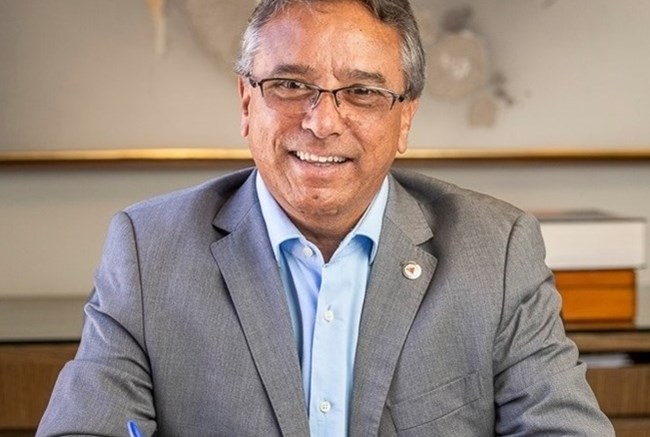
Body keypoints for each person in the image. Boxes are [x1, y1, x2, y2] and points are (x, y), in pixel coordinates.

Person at [37, 0, 614, 435]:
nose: (321, 123)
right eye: (291, 84)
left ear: (405, 119)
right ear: (246, 102)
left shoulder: (497, 250)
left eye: (362, 92)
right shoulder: (148, 250)